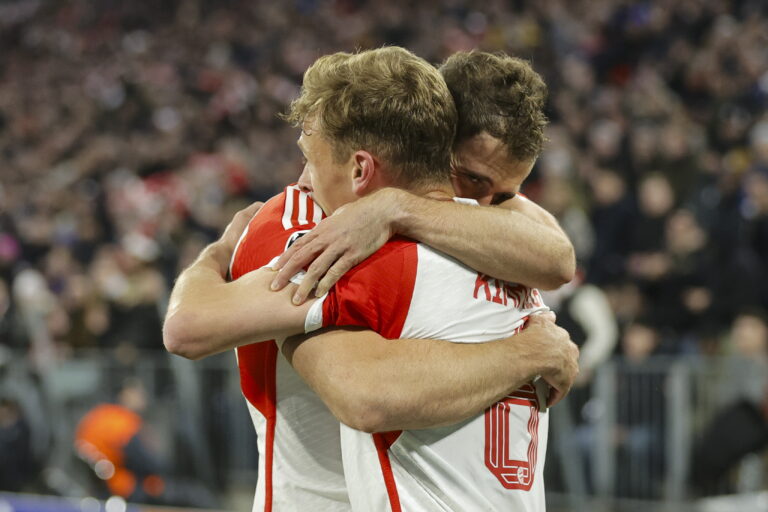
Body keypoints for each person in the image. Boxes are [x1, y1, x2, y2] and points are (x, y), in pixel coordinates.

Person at [164, 48, 579, 511]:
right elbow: (193, 328)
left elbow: (559, 258)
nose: (487, 205)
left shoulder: (476, 235)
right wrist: (530, 352)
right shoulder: (320, 228)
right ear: (438, 142)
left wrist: (214, 255)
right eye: (475, 181)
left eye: (502, 195)